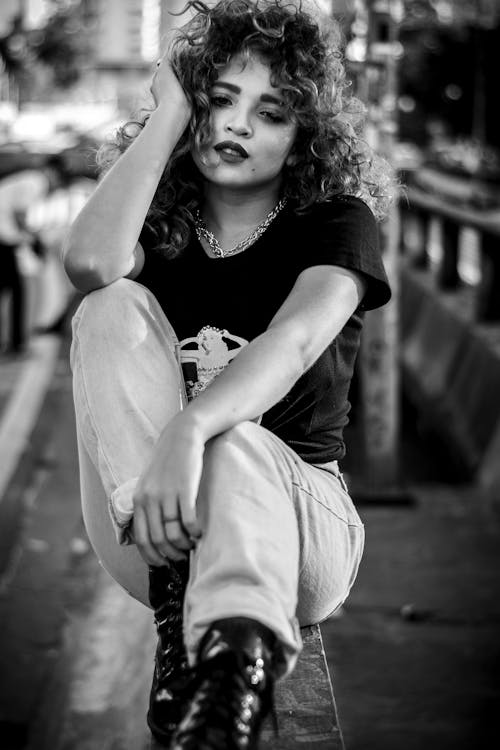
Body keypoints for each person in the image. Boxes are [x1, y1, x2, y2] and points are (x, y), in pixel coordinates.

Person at [63, 1, 394, 747]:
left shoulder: (337, 221)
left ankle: (228, 683)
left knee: (235, 443)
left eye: (270, 113)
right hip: (156, 531)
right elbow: (86, 265)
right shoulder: (161, 227)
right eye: (219, 101)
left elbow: (295, 342)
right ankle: (188, 621)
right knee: (107, 305)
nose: (237, 126)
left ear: (302, 135)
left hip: (302, 535)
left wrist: (193, 425)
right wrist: (167, 114)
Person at [0, 154, 71, 354]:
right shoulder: (36, 181)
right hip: (3, 240)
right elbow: (19, 214)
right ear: (52, 172)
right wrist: (33, 239)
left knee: (12, 289)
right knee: (17, 290)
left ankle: (14, 342)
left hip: (6, 240)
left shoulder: (27, 179)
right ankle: (16, 344)